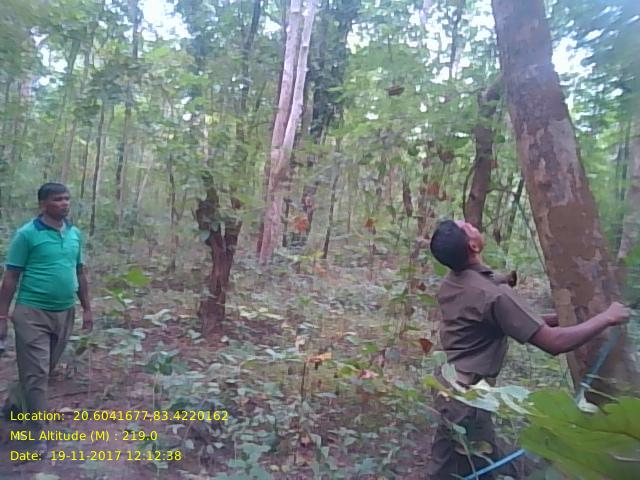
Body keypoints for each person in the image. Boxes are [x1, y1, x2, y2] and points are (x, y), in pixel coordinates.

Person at [427, 219, 630, 479]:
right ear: (473, 246)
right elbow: (552, 343)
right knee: (486, 468)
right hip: (466, 400)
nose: (470, 224)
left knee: (447, 464)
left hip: (448, 388)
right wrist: (607, 318)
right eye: (467, 227)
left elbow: (515, 320)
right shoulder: (494, 295)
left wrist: (567, 317)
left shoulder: (454, 281)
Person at [0, 183, 93, 454]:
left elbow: (80, 272)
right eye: (57, 200)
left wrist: (87, 308)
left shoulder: (74, 234)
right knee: (37, 374)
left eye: (67, 199)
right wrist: (2, 315)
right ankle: (36, 435)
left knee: (42, 369)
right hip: (32, 313)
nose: (64, 204)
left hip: (65, 312)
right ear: (43, 204)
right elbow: (11, 277)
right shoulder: (27, 235)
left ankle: (13, 406)